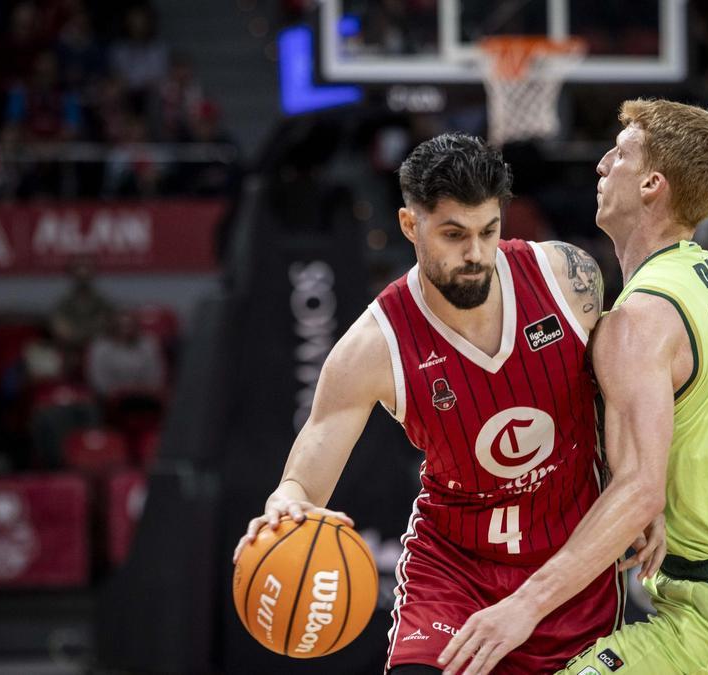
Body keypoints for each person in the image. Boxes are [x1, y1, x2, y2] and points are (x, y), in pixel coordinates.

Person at [234, 134, 664, 674]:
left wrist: (643, 493)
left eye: (488, 231)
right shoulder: (373, 346)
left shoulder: (567, 280)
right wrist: (286, 503)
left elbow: (625, 401)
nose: (476, 254)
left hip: (571, 565)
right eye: (454, 235)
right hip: (454, 571)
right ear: (411, 226)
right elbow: (306, 475)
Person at [438, 99, 708, 675]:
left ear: (651, 184)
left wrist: (522, 607)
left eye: (620, 154)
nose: (601, 165)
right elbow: (683, 418)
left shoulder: (636, 321)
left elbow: (641, 491)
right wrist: (642, 480)